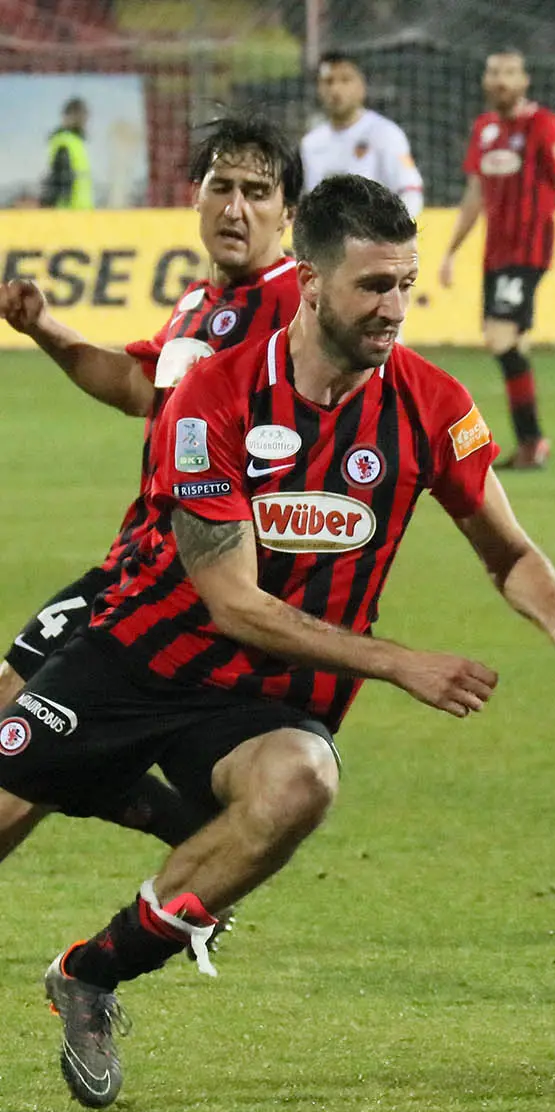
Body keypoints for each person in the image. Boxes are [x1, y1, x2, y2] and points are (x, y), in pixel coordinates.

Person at [0, 174, 555, 1111]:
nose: (393, 308)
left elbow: (508, 550)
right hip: (138, 659)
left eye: (404, 283)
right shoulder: (215, 396)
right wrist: (400, 660)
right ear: (314, 286)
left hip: (262, 706)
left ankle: (90, 975)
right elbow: (232, 602)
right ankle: (133, 797)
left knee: (301, 782)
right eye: (373, 287)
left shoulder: (432, 405)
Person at [0, 112, 305, 848]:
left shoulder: (300, 308)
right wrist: (47, 328)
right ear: (193, 198)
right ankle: (182, 822)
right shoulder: (202, 303)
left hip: (181, 586)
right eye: (221, 186)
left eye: (258, 192)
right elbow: (143, 385)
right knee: (15, 713)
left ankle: (181, 826)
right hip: (131, 562)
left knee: (18, 760)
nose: (236, 207)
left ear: (288, 212)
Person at [437, 49, 555, 472]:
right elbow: (474, 197)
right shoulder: (484, 129)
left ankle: (532, 440)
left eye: (509, 73)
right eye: (493, 73)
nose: (500, 80)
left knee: (499, 336)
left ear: (525, 80)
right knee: (513, 343)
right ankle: (529, 443)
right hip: (495, 255)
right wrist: (451, 251)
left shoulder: (545, 126)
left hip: (529, 251)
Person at [301, 51, 424, 217]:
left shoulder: (386, 134)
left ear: (362, 87)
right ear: (319, 88)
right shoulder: (310, 144)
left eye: (345, 80)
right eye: (328, 82)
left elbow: (410, 192)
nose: (336, 89)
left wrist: (393, 237)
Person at [41, 97, 93, 209]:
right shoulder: (65, 143)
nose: (83, 120)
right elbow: (61, 183)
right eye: (78, 115)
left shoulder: (76, 143)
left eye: (84, 115)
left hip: (82, 217)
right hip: (69, 217)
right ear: (67, 117)